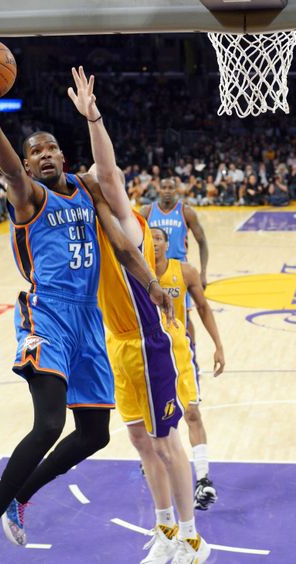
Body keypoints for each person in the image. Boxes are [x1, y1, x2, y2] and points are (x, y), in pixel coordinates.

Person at [0, 66, 172, 564]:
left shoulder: (86, 191)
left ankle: (21, 494)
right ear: (28, 166)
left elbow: (121, 246)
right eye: (35, 152)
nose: (43, 155)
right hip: (46, 314)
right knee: (49, 425)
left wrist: (154, 285)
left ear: (62, 156)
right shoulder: (28, 196)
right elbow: (5, 167)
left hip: (88, 321)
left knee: (95, 433)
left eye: (50, 148)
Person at [68, 66, 210, 564]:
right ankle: (166, 529)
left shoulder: (128, 219)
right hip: (117, 342)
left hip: (148, 338)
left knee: (165, 439)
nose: (109, 181)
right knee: (137, 439)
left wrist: (93, 118)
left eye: (115, 181)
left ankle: (193, 538)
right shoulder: (92, 226)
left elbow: (105, 170)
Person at [140, 177, 215, 510]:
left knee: (181, 324)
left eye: (172, 187)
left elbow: (202, 241)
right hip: (149, 277)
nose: (167, 191)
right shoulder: (144, 211)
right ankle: (154, 458)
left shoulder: (186, 213)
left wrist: (206, 270)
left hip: (175, 278)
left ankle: (201, 480)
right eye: (164, 187)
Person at [151, 226, 225, 510]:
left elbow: (204, 308)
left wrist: (218, 345)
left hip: (181, 351)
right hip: (148, 356)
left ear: (168, 244)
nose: (155, 242)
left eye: (160, 238)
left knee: (192, 412)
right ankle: (159, 463)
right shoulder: (135, 272)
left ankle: (203, 479)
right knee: (156, 421)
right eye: (151, 238)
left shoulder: (185, 272)